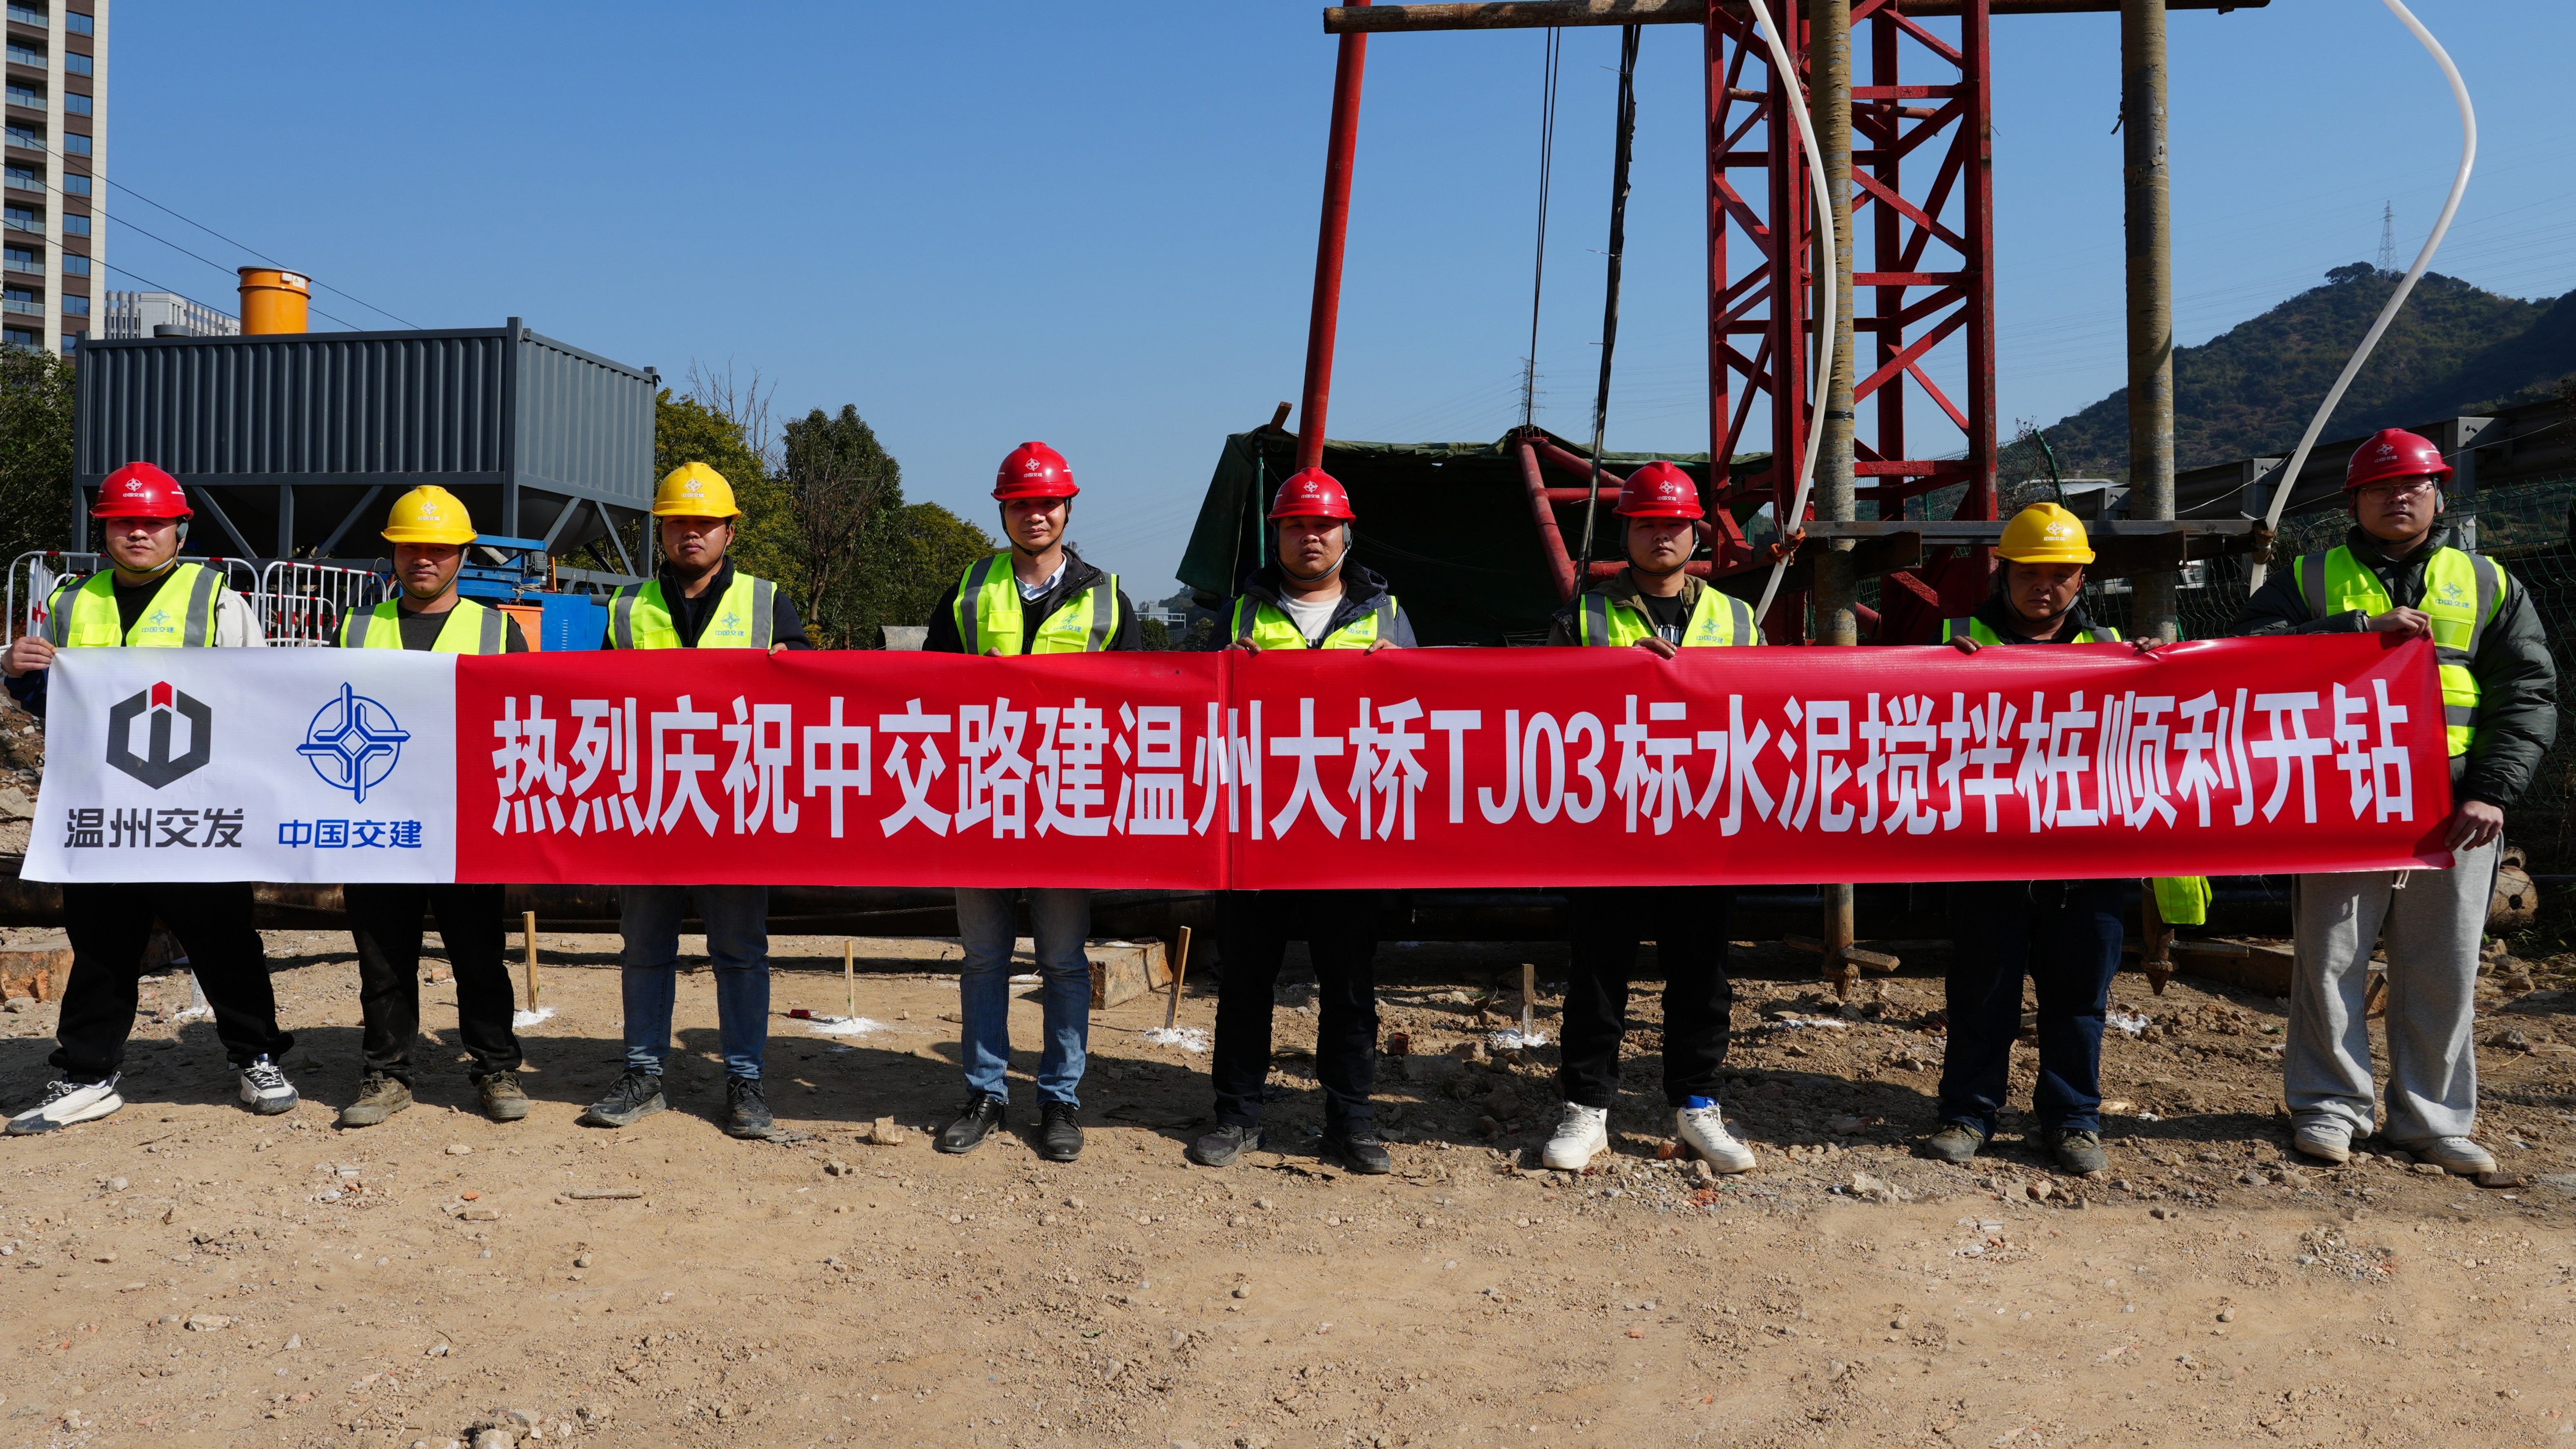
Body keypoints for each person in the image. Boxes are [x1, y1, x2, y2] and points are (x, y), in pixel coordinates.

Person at [2234, 428, 2556, 1173]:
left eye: (2414, 485)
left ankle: (2432, 1121)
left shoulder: (2487, 582)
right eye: (2380, 487)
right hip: (2341, 803)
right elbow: (2252, 653)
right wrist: (2355, 631)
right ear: (2354, 502)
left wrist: (2492, 791)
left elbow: (2527, 692)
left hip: (2456, 806)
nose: (2398, 497)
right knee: (2330, 962)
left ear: (2439, 495)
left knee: (2444, 967)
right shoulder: (2312, 577)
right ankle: (2329, 1108)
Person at [3, 462, 298, 1133]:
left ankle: (256, 1055)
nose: (138, 533)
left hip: (198, 807)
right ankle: (87, 1073)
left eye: (153, 523)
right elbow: (55, 701)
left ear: (179, 532)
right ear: (103, 531)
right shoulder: (72, 603)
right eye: (123, 522)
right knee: (101, 946)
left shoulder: (218, 601)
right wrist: (19, 673)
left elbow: (261, 693)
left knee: (223, 938)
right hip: (106, 807)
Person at [1187, 467, 1414, 1175]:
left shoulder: (1387, 615)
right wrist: (1220, 671)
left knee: (1348, 986)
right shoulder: (1239, 615)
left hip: (1348, 833)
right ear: (1276, 535)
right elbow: (1193, 713)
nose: (1309, 537)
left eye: (1322, 526)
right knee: (1245, 981)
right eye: (1295, 526)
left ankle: (1351, 1121)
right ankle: (1237, 1116)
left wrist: (1403, 671)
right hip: (1257, 830)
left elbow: (1425, 715)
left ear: (1347, 534)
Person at [1537, 462, 1761, 1175]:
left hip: (1703, 824)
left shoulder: (1738, 618)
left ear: (1696, 534)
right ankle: (1588, 1108)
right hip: (1611, 825)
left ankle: (1698, 1106)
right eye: (1647, 524)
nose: (1661, 536)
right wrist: (1618, 674)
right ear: (1625, 533)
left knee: (1703, 975)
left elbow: (1769, 708)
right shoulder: (1582, 618)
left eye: (1674, 524)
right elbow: (1544, 711)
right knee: (1598, 974)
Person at [922, 442, 1141, 1162]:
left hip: (1066, 803)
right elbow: (924, 692)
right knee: (984, 959)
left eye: (1047, 503)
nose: (1035, 515)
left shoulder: (1107, 598)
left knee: (1064, 962)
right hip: (981, 798)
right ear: (1003, 511)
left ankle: (1059, 1101)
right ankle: (985, 1093)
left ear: (1068, 509)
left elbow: (1142, 705)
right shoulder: (968, 591)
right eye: (1021, 504)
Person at [579, 462, 811, 1140]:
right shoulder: (628, 609)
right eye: (679, 522)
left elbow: (807, 694)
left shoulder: (767, 603)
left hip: (736, 806)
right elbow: (594, 701)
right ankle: (642, 1074)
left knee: (740, 950)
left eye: (705, 523)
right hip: (650, 806)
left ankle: (745, 1082)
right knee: (644, 947)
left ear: (729, 532)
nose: (691, 533)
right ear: (661, 531)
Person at [1922, 502, 2127, 1177]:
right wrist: (1939, 671)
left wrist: (2156, 667)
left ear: (2081, 580)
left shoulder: (2113, 650)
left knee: (2079, 1000)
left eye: (2062, 574)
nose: (2046, 586)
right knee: (1983, 993)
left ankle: (2072, 1119)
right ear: (2002, 573)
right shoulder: (1951, 642)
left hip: (2086, 858)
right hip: (1989, 855)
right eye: (2030, 572)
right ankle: (1968, 1112)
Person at [329, 485, 533, 1128]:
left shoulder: (497, 630)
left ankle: (495, 1067)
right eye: (410, 546)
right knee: (383, 957)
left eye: (439, 548)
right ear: (393, 552)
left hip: (464, 822)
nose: (423, 558)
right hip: (378, 820)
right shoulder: (356, 628)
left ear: (462, 554)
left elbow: (520, 723)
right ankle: (386, 1074)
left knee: (479, 954)